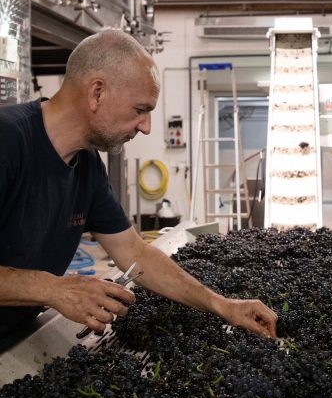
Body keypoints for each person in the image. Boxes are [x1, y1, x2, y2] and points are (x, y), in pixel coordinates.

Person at [0, 28, 277, 342]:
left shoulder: (87, 165)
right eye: (141, 110)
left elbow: (135, 252)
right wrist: (54, 289)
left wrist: (224, 306)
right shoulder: (8, 141)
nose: (146, 127)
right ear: (97, 93)